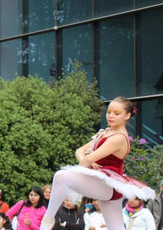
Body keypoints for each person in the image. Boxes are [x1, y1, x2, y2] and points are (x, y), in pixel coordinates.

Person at [40, 96, 156, 230]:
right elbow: (80, 151)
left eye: (117, 113)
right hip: (105, 184)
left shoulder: (118, 138)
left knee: (61, 176)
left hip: (108, 185)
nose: (111, 116)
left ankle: (47, 220)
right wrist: (86, 162)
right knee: (116, 227)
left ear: (127, 115)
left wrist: (84, 165)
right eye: (109, 112)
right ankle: (47, 220)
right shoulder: (106, 132)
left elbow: (88, 158)